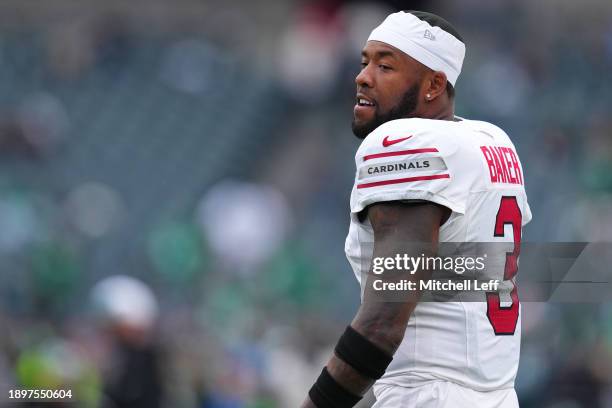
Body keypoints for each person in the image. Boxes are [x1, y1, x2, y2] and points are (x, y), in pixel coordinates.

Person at [301, 10, 531, 408]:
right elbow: (463, 270)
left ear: (433, 85)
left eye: (385, 66)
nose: (363, 76)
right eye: (365, 61)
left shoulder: (406, 141)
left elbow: (381, 324)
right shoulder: (494, 141)